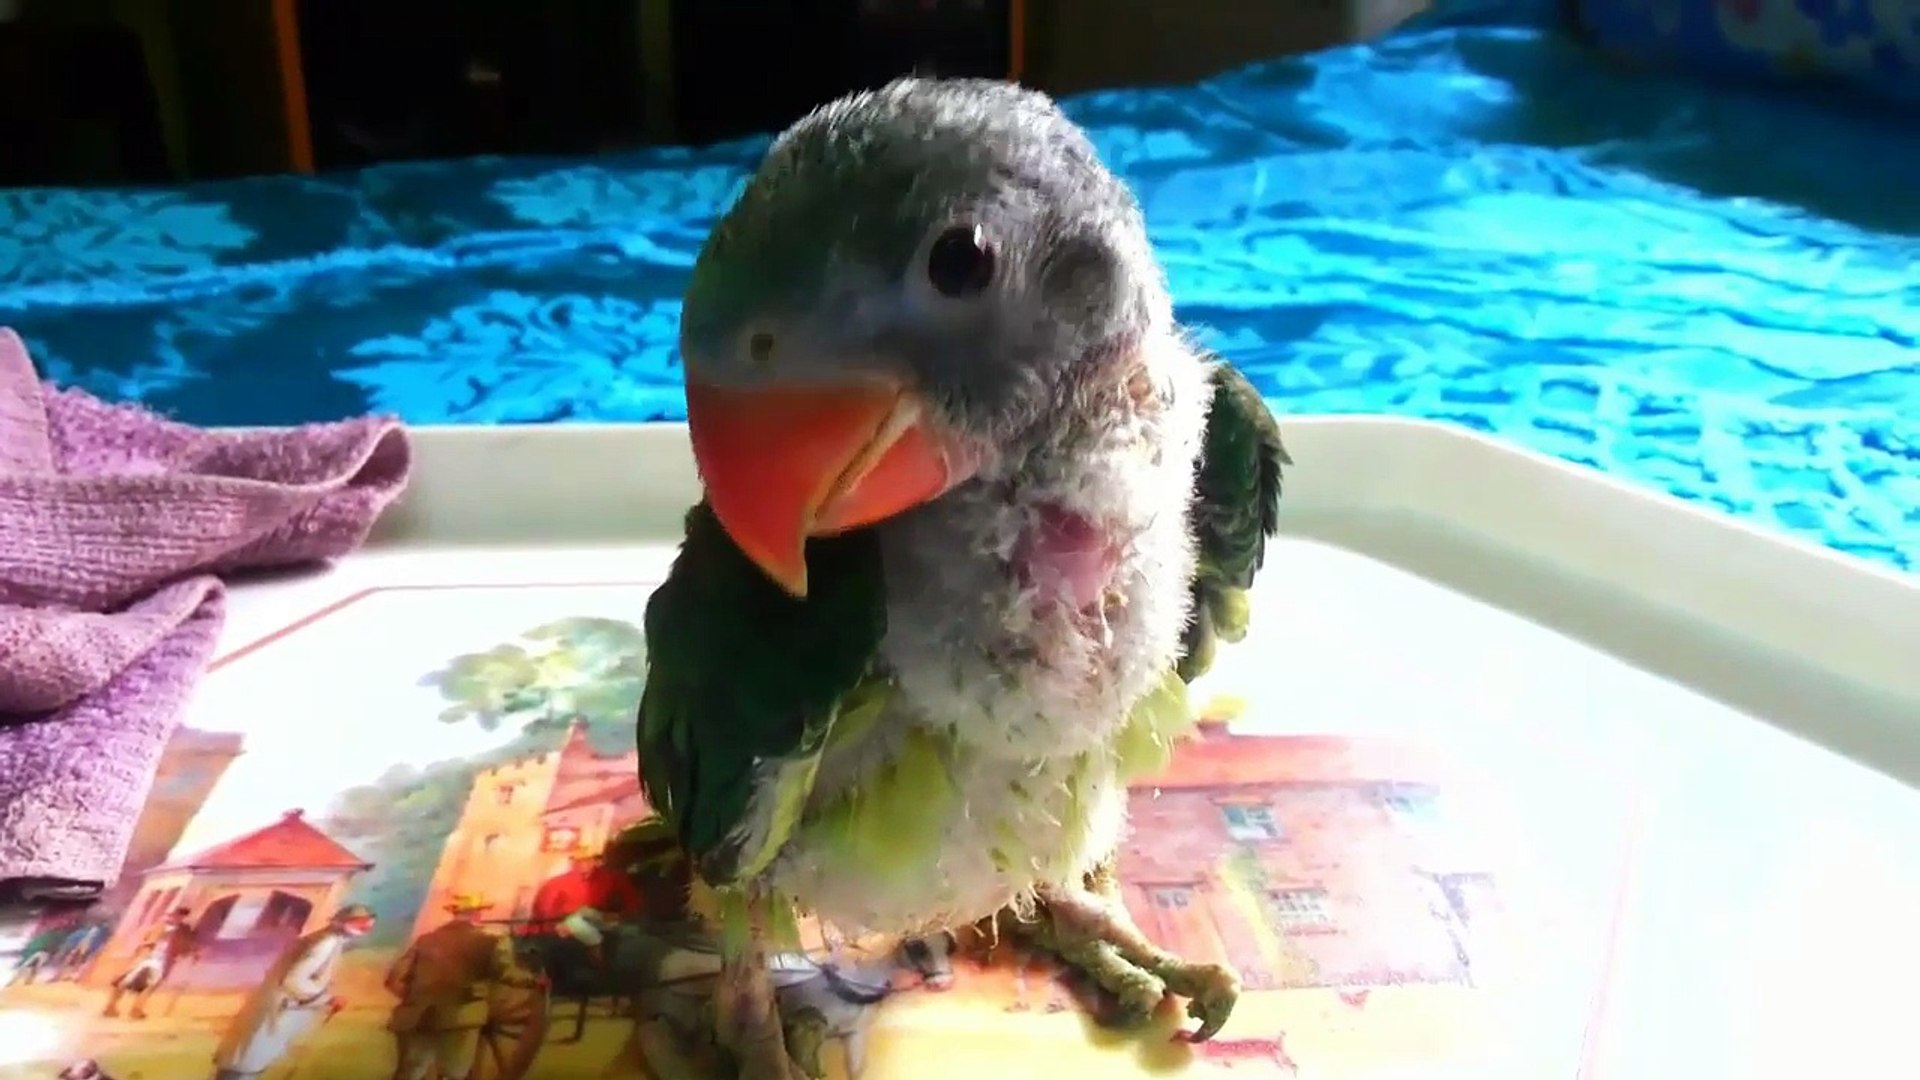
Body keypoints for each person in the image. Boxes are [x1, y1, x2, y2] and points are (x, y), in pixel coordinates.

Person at [209, 904, 376, 1080]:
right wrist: (328, 999)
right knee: (245, 1065)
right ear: (343, 922)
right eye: (359, 923)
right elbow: (295, 980)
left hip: (275, 1009)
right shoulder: (326, 942)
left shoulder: (324, 939)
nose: (364, 927)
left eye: (367, 922)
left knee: (244, 1061)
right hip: (279, 1010)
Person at [384, 894, 539, 1080]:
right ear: (477, 916)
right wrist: (533, 980)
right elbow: (508, 974)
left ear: (454, 914)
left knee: (410, 1072)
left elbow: (394, 978)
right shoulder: (490, 942)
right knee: (454, 1073)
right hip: (461, 1017)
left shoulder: (426, 940)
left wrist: (414, 998)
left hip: (417, 1016)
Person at [102, 906, 198, 1019]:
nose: (177, 917)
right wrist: (149, 943)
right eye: (176, 914)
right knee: (123, 981)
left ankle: (136, 1010)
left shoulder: (183, 930)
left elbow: (185, 946)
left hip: (161, 961)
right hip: (145, 957)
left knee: (150, 985)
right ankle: (111, 1007)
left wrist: (189, 951)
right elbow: (147, 939)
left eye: (181, 916)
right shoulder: (159, 925)